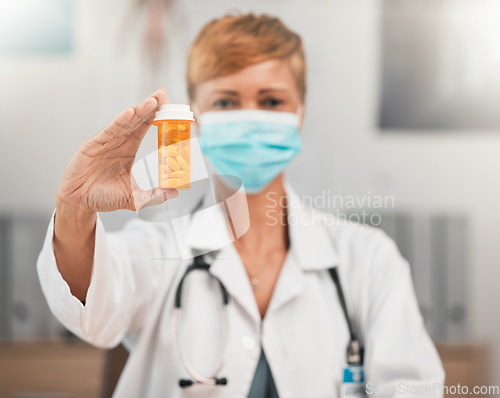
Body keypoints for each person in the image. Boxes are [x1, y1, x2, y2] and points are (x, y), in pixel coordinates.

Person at [37, 13, 444, 398]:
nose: (250, 119)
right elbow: (93, 308)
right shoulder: (158, 246)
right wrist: (75, 210)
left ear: (300, 112)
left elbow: (412, 387)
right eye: (227, 102)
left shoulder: (368, 259)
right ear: (194, 115)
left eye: (270, 102)